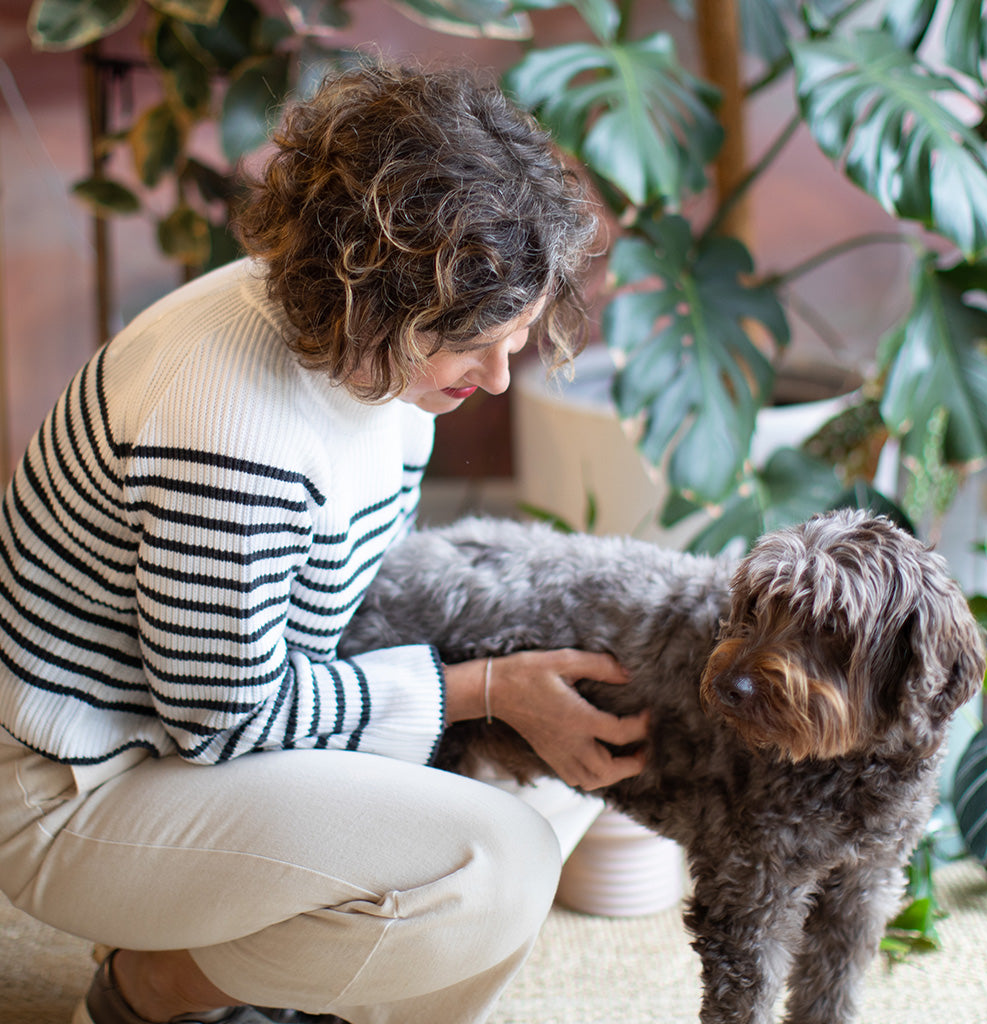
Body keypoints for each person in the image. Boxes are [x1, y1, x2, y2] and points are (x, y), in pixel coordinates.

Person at [0, 60, 648, 1024]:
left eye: (515, 336)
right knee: (495, 861)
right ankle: (158, 988)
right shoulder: (228, 430)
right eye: (477, 340)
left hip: (191, 734)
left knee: (558, 762)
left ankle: (281, 987)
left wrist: (507, 702)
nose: (502, 376)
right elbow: (222, 723)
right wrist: (478, 690)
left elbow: (329, 616)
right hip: (85, 785)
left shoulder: (378, 357)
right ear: (377, 298)